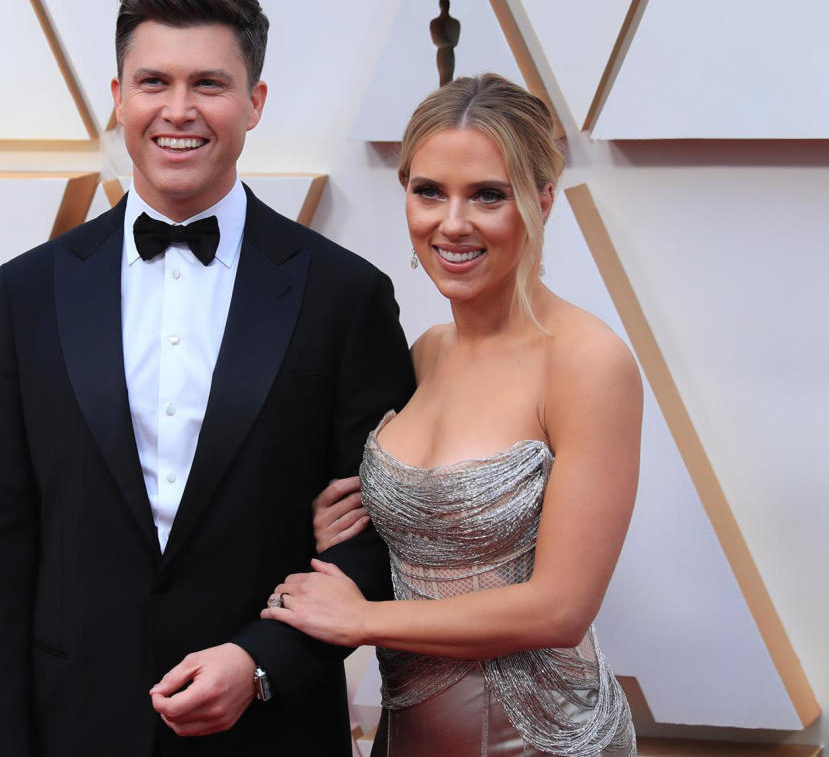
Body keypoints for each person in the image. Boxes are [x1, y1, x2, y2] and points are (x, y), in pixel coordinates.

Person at [0, 0, 414, 757]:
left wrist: (261, 662)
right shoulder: (27, 292)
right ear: (118, 96)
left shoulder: (345, 297)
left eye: (209, 83)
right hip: (76, 729)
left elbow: (382, 538)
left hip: (272, 731)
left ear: (254, 102)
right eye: (153, 82)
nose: (177, 110)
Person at [262, 74, 641, 755]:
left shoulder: (587, 363)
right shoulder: (426, 352)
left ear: (543, 201)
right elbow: (417, 530)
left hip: (544, 741)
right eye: (429, 191)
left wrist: (364, 620)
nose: (453, 222)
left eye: (488, 195)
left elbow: (560, 608)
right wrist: (340, 529)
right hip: (406, 734)